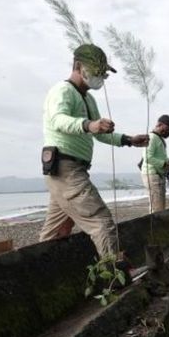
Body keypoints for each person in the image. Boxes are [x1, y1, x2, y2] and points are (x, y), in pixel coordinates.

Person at [39, 44, 148, 263]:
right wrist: (89, 125)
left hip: (71, 171)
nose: (101, 77)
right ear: (78, 66)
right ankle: (116, 276)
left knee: (55, 231)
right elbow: (58, 120)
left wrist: (128, 140)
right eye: (97, 72)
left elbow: (100, 134)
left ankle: (36, 270)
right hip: (65, 169)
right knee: (100, 221)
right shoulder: (62, 91)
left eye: (103, 73)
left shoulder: (88, 99)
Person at [141, 114, 169, 213]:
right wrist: (165, 165)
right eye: (168, 128)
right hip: (152, 174)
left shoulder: (158, 138)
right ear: (159, 124)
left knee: (160, 206)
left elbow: (162, 157)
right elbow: (147, 157)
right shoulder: (151, 137)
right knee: (157, 207)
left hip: (159, 174)